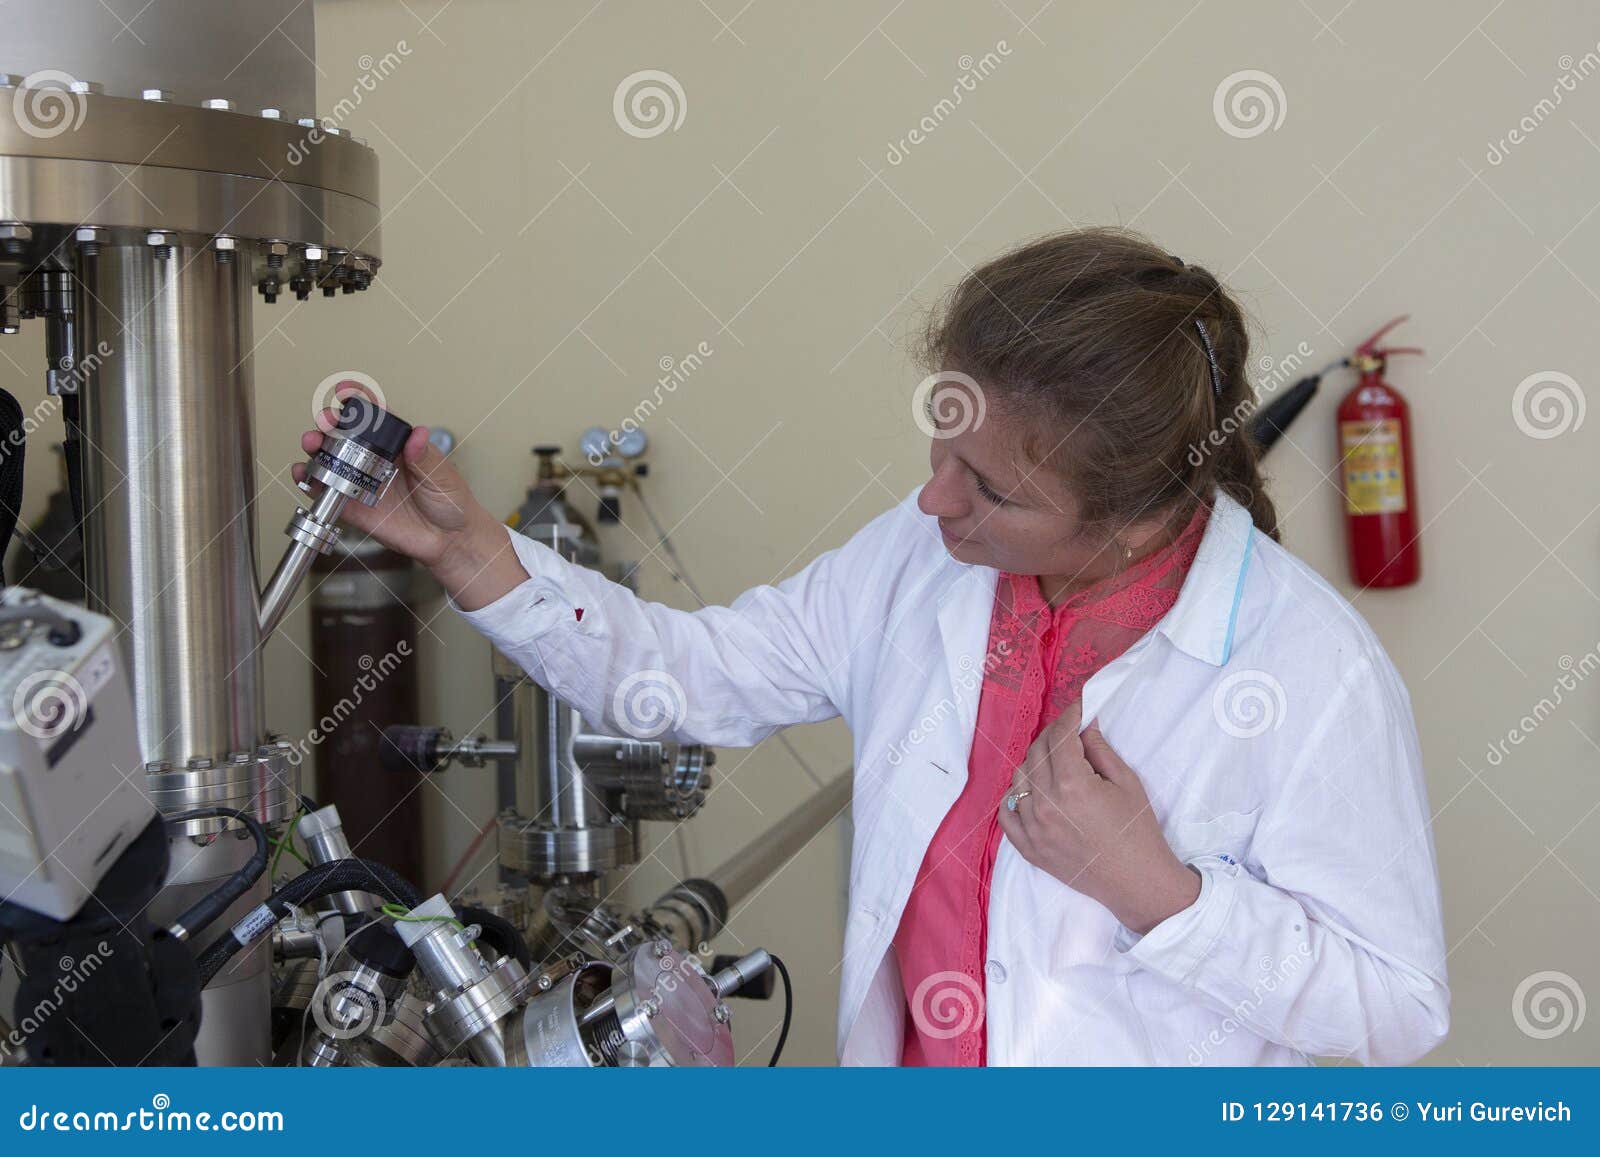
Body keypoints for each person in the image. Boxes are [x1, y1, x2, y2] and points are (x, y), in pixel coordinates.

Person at [296, 227, 1449, 1066]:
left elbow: (1395, 1006)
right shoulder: (924, 558)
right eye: (943, 441)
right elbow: (698, 676)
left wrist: (1157, 890)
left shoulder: (1307, 665)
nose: (933, 500)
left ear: (1129, 509)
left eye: (989, 486)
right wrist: (474, 554)